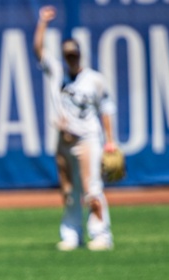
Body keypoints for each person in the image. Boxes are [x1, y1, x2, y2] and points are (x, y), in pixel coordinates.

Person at [34, 5, 118, 251]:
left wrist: (110, 140)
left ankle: (102, 234)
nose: (71, 58)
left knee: (92, 188)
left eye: (74, 55)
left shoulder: (94, 79)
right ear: (63, 56)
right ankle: (71, 234)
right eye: (68, 55)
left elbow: (107, 108)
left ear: (79, 55)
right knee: (69, 191)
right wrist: (42, 23)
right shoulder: (56, 72)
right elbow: (38, 50)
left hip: (88, 139)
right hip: (64, 140)